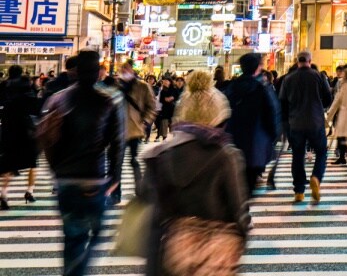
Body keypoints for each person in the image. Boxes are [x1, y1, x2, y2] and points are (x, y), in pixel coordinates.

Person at [140, 69, 249, 276]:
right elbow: (238, 210)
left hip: (174, 251)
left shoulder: (162, 153)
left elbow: (147, 199)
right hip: (214, 255)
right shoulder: (226, 156)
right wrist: (241, 236)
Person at [39, 50, 123, 276]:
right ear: (97, 73)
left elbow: (47, 141)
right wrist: (115, 178)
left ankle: (73, 272)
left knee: (72, 237)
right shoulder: (109, 100)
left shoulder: (58, 99)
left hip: (66, 178)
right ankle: (80, 271)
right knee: (96, 235)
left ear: (75, 72)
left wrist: (56, 170)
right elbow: (117, 142)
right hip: (94, 177)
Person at [222, 52, 282, 195]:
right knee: (249, 182)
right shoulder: (262, 87)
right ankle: (242, 211)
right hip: (256, 141)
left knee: (237, 181)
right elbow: (272, 112)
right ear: (257, 67)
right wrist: (274, 135)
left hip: (234, 139)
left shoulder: (232, 86)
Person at [278, 51, 333, 203]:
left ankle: (299, 191)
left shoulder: (288, 79)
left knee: (298, 156)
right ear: (310, 60)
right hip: (315, 122)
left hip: (295, 123)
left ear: (297, 61)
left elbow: (282, 102)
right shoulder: (318, 76)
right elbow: (328, 98)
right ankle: (316, 177)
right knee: (321, 152)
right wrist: (319, 105)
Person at [112, 61, 157, 203]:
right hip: (116, 131)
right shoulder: (115, 86)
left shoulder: (142, 87)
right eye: (122, 68)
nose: (124, 70)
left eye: (126, 68)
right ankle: (115, 194)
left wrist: (145, 122)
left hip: (135, 129)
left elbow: (152, 106)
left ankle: (140, 191)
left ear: (132, 70)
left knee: (134, 161)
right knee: (115, 164)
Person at [0, 65, 40, 208]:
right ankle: (30, 190)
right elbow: (36, 108)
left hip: (7, 129)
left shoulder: (4, 87)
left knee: (8, 163)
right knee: (32, 162)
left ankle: (4, 193)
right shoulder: (26, 87)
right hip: (26, 130)